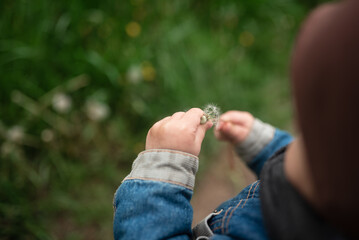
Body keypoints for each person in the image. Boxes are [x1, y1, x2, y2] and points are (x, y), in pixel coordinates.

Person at [113, 0, 359, 239]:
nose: (298, 145)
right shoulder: (334, 179)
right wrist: (262, 143)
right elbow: (322, 160)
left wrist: (161, 172)